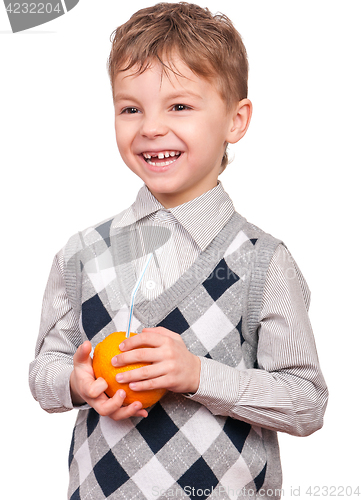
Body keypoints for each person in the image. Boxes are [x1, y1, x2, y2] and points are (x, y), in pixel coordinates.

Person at [29, 3, 328, 499]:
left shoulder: (262, 261)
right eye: (131, 108)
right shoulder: (81, 254)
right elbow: (43, 373)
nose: (150, 127)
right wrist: (79, 383)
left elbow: (306, 403)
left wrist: (197, 375)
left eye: (179, 106)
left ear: (236, 120)